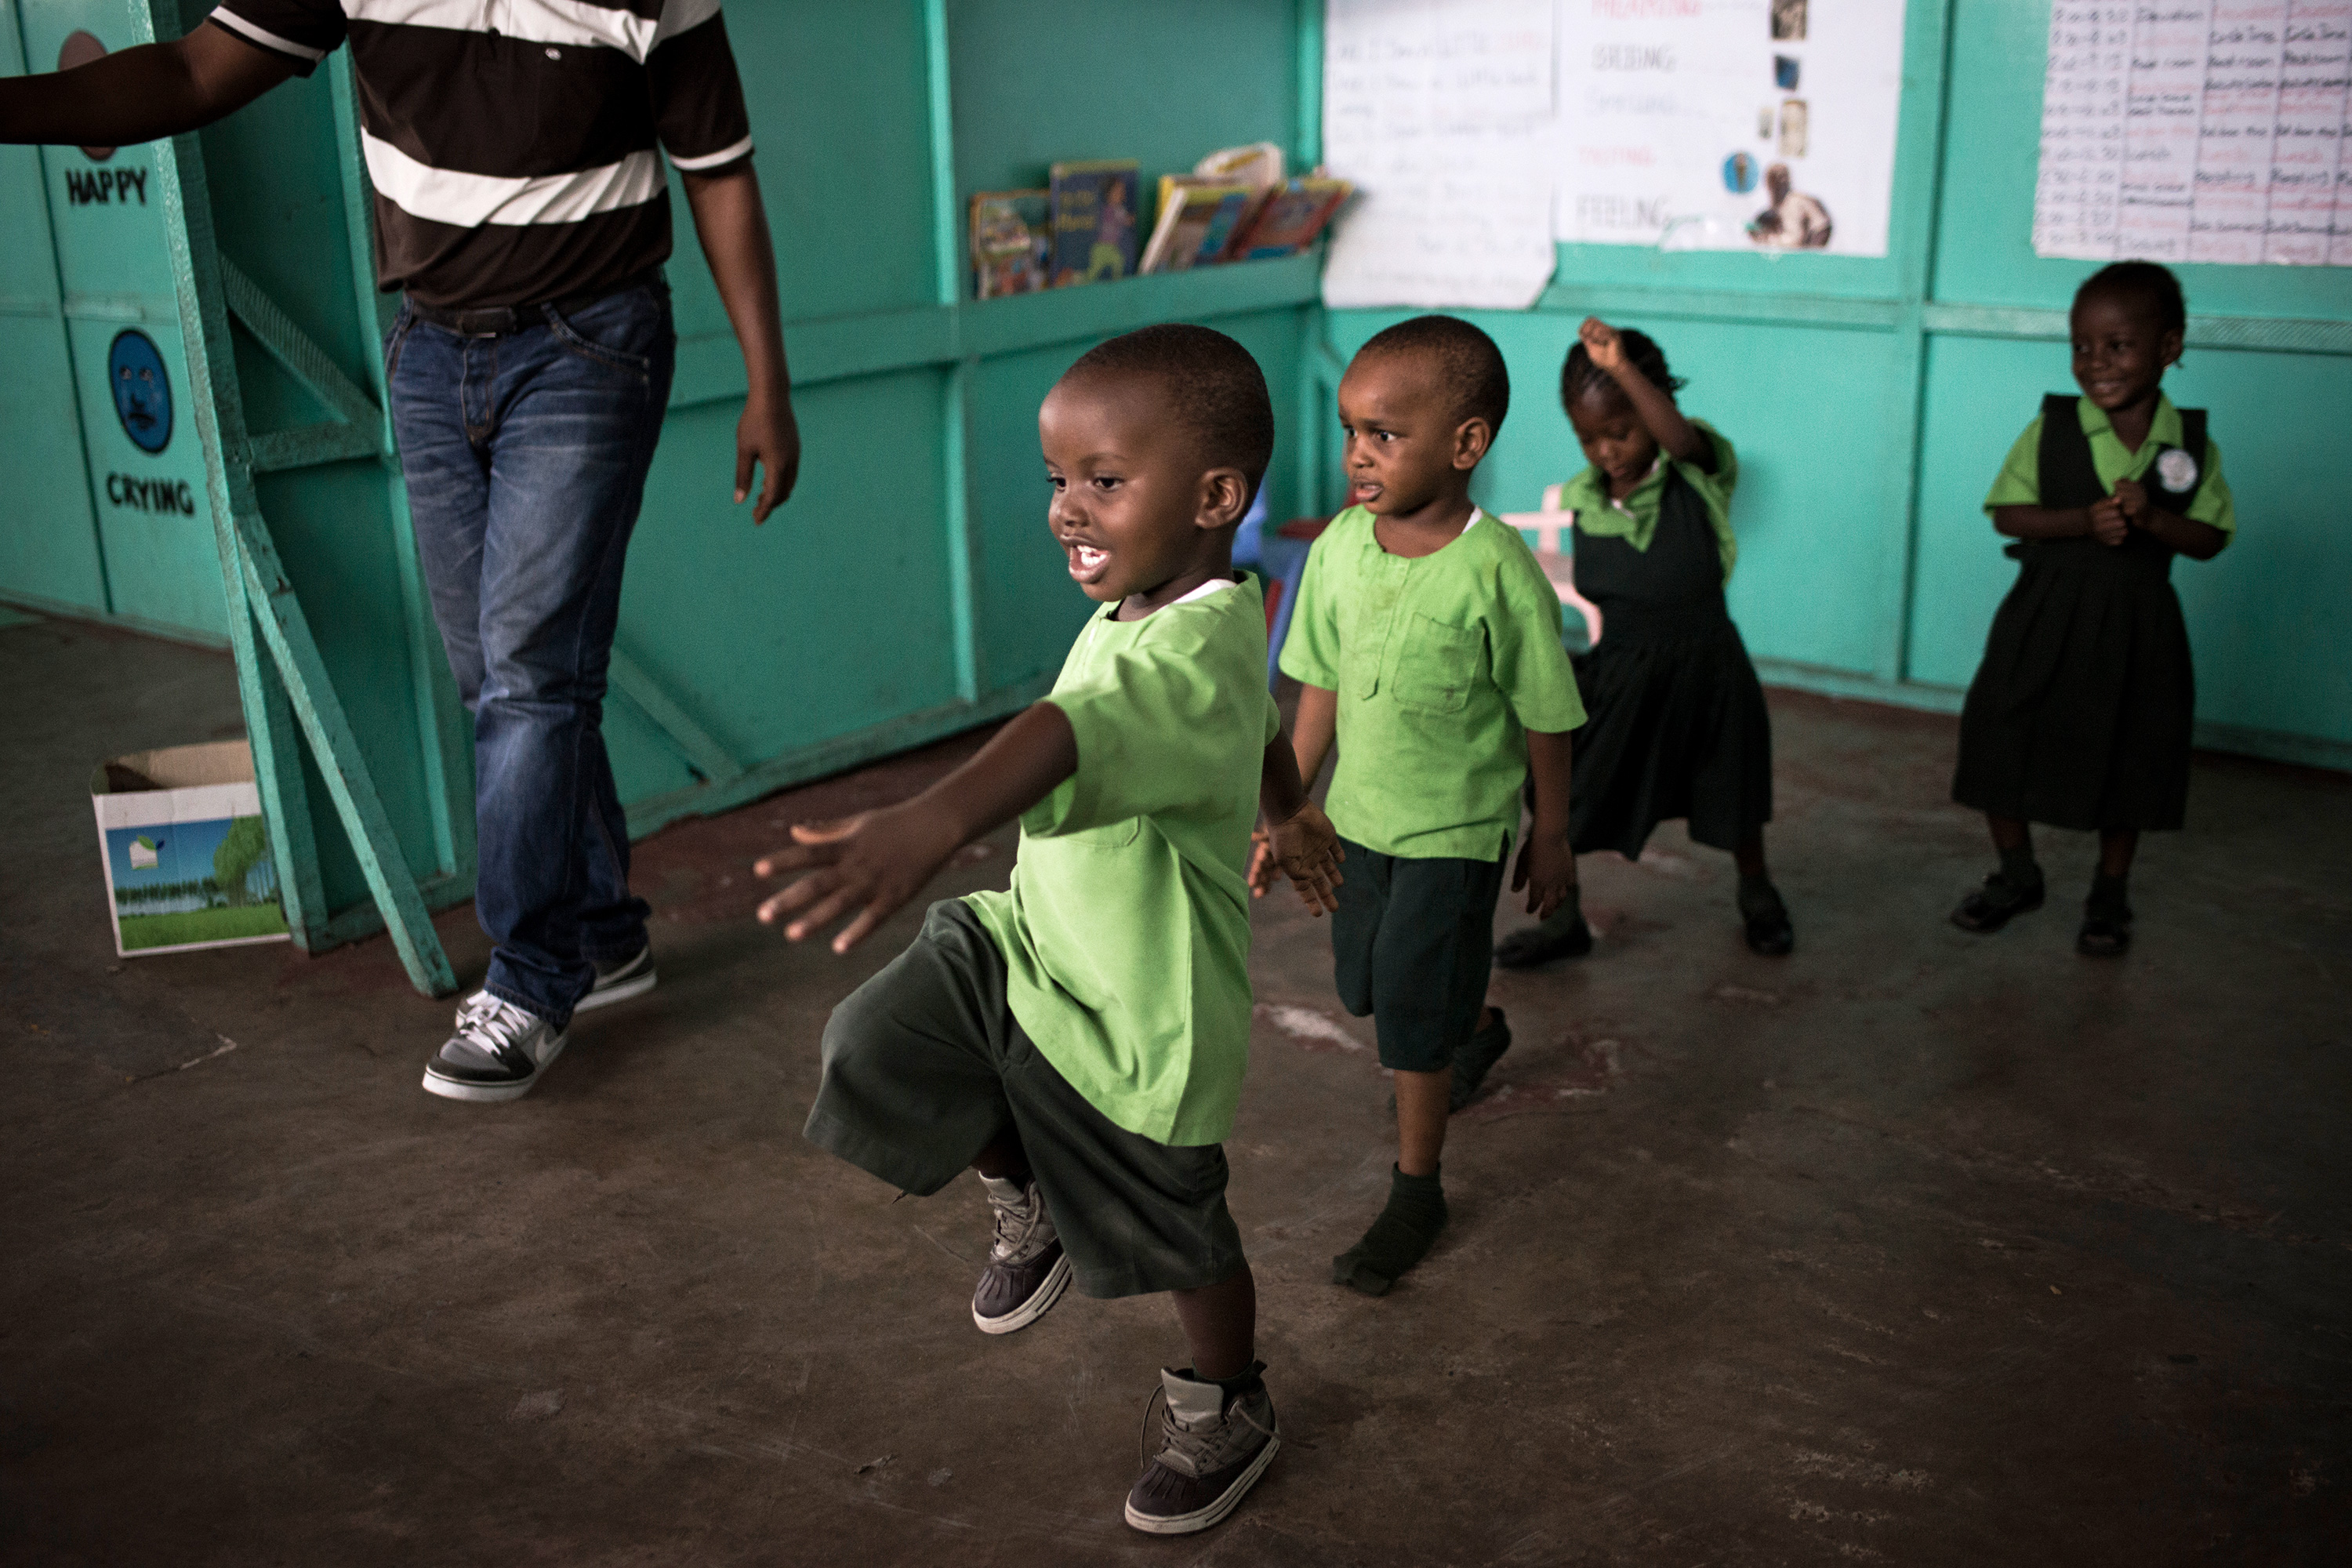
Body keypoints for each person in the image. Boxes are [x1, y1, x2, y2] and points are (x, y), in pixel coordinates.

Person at [1, 3, 803, 1101]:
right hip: (432, 350)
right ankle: (603, 928)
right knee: (503, 675)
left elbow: (718, 171)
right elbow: (191, 75)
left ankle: (529, 978)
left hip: (591, 344)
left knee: (526, 678)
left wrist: (769, 379)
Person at [753, 325, 1343, 1536]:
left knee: (1180, 1239)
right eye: (1057, 481)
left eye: (1104, 481)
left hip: (1140, 1015)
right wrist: (1290, 811)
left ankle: (1229, 1399)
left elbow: (1062, 731)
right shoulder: (1178, 600)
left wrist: (931, 815)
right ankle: (1024, 1189)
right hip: (1031, 942)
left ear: (1216, 496)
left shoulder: (1188, 650)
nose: (1067, 509)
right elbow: (1262, 729)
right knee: (873, 1043)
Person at [1258, 315, 1585, 1298]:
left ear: (1466, 444)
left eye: (1385, 435)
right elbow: (1314, 689)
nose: (1359, 453)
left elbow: (1545, 716)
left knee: (1400, 1005)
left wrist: (1553, 831)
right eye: (1354, 430)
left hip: (1456, 831)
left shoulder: (1499, 574)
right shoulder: (1338, 551)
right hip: (1356, 819)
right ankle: (1473, 1025)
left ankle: (1417, 1187)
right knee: (1362, 985)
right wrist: (1292, 809)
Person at [1948, 261, 2234, 957]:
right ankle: (2018, 875)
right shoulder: (2052, 429)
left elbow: (2212, 537)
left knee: (2133, 752)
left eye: (2118, 345)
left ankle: (2110, 889)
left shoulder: (2188, 445)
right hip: (2045, 613)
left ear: (2169, 347)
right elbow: (2006, 515)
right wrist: (2084, 520)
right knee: (2002, 733)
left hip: (2140, 625)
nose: (2096, 363)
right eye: (2081, 346)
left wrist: (2157, 524)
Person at [1494, 318, 1795, 968]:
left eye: (1620, 430)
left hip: (1709, 666)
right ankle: (1564, 919)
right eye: (1587, 436)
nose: (1605, 450)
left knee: (1734, 793)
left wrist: (1625, 369)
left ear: (1651, 410)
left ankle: (1758, 893)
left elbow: (1680, 442)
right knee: (1558, 794)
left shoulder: (1697, 473)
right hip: (1623, 672)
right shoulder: (1583, 498)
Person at [1749, 163, 1832, 249]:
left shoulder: (1798, 201)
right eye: (1774, 180)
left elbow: (1822, 226)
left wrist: (1812, 255)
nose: (1778, 183)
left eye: (1781, 178)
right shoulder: (1773, 209)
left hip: (1797, 254)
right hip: (1781, 256)